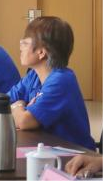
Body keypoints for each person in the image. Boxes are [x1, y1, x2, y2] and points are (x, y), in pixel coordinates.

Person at [7, 16, 95, 149]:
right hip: (44, 147)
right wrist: (22, 109)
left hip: (72, 154)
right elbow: (3, 102)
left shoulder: (61, 80)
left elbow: (24, 121)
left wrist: (18, 105)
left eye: (25, 43)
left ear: (41, 52)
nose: (21, 48)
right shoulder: (34, 75)